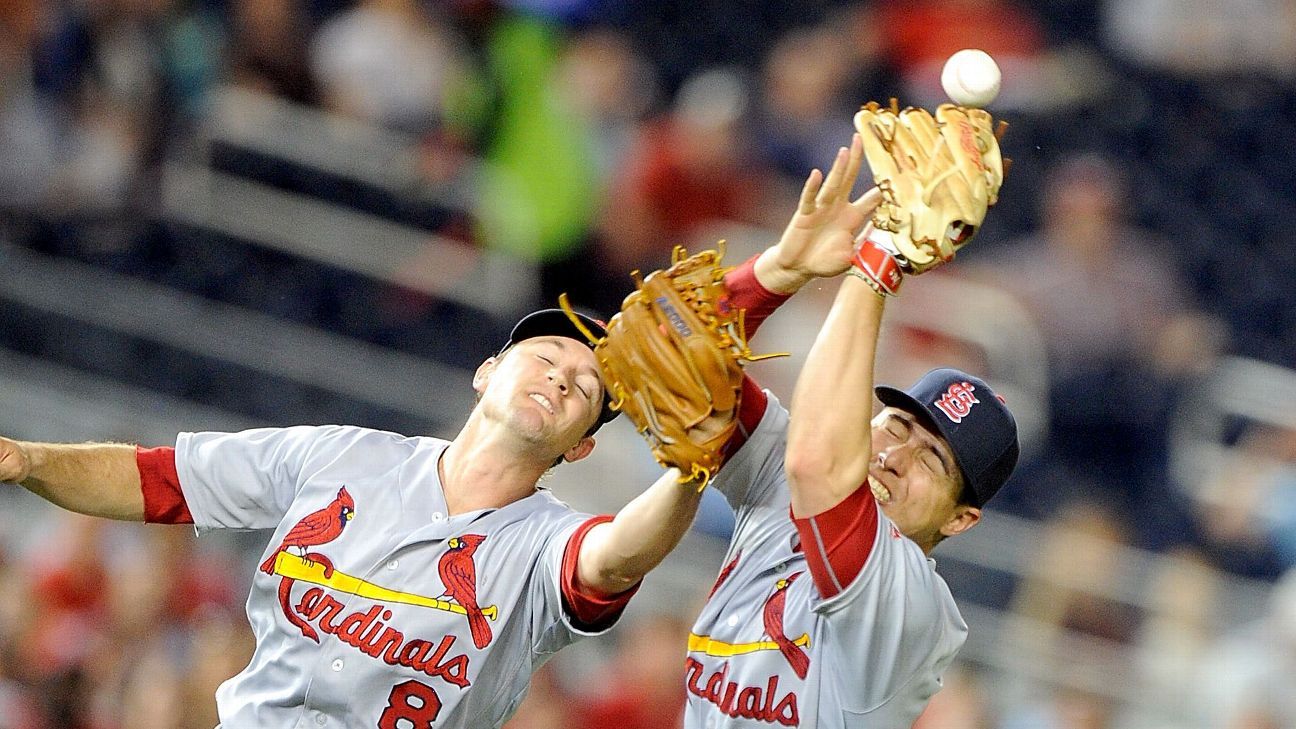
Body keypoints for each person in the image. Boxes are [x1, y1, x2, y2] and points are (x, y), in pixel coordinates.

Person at [0, 135, 875, 727]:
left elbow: (617, 558)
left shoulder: (543, 547)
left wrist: (690, 472)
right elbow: (158, 482)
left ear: (579, 446)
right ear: (487, 371)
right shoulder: (339, 456)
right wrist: (30, 457)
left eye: (583, 388)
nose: (565, 375)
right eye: (545, 357)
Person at [682, 151, 1021, 725]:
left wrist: (879, 257)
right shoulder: (784, 479)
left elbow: (818, 467)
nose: (893, 457)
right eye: (896, 425)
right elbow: (676, 371)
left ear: (960, 518)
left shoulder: (913, 607)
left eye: (933, 459)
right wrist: (776, 273)